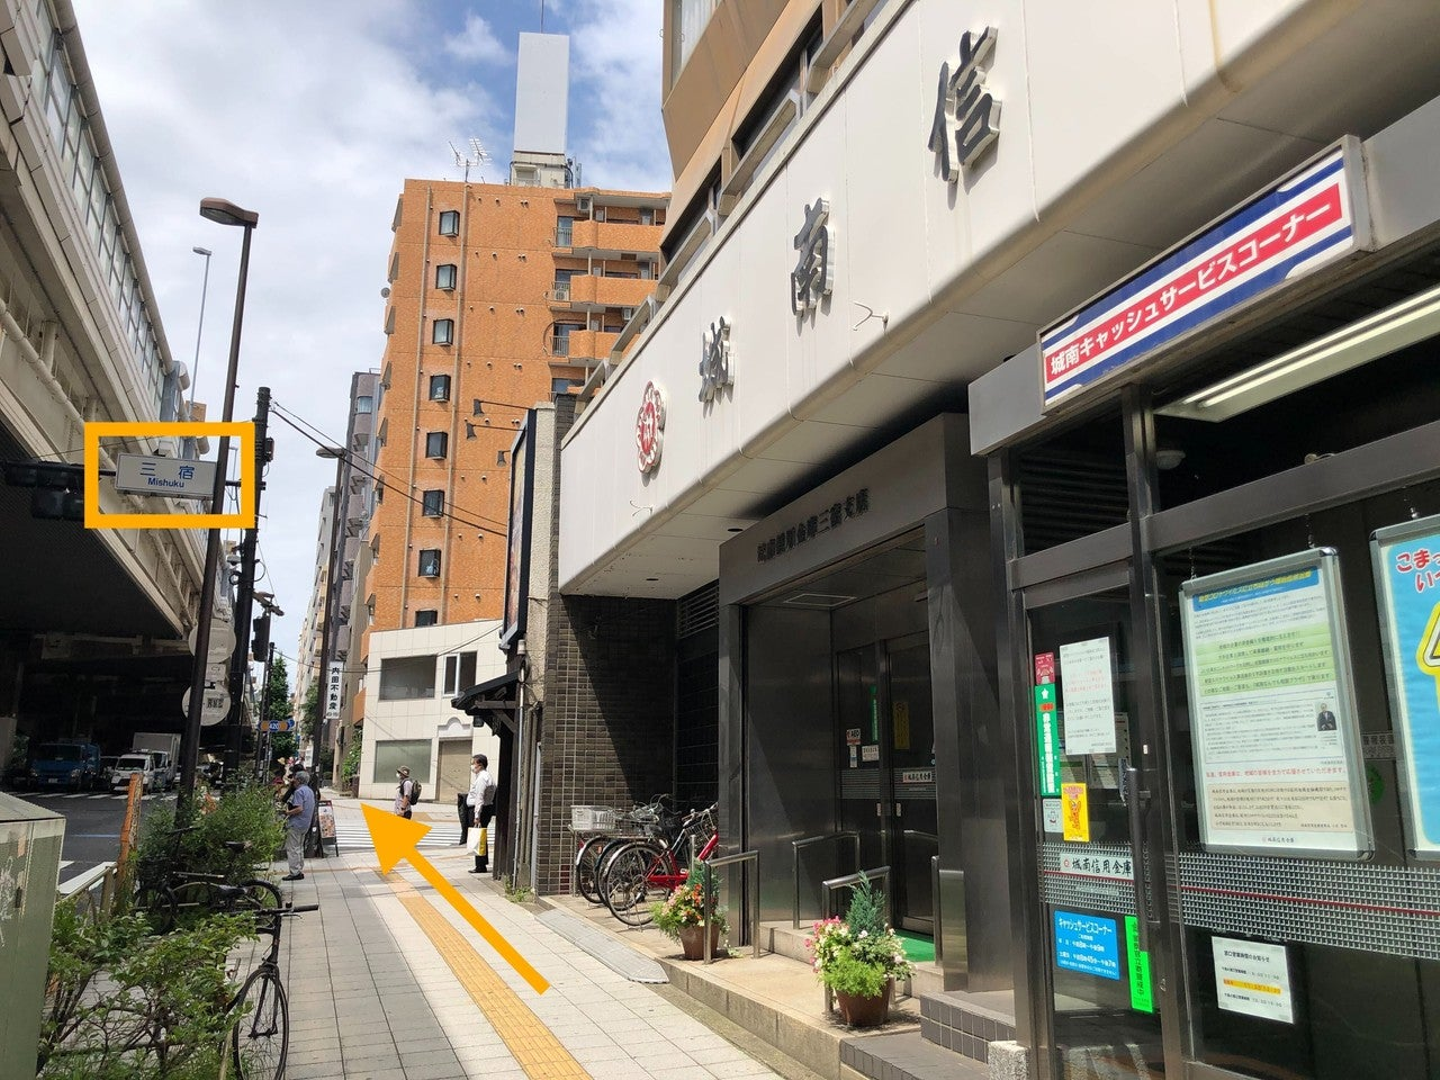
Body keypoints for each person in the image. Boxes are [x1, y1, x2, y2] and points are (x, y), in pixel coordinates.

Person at [282, 769, 316, 881]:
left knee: (292, 848)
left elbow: (299, 808)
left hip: (296, 823)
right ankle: (299, 869)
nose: (293, 780)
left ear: (298, 780)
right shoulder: (309, 791)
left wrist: (287, 813)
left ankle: (295, 872)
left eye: (295, 779)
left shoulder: (299, 792)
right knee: (299, 847)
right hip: (305, 823)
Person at [468, 754, 496, 875]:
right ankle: (481, 863)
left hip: (480, 810)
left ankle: (480, 865)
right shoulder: (487, 776)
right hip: (486, 809)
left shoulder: (482, 778)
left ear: (479, 764)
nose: (472, 766)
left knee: (478, 837)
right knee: (481, 836)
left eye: (473, 763)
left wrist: (476, 816)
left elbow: (479, 797)